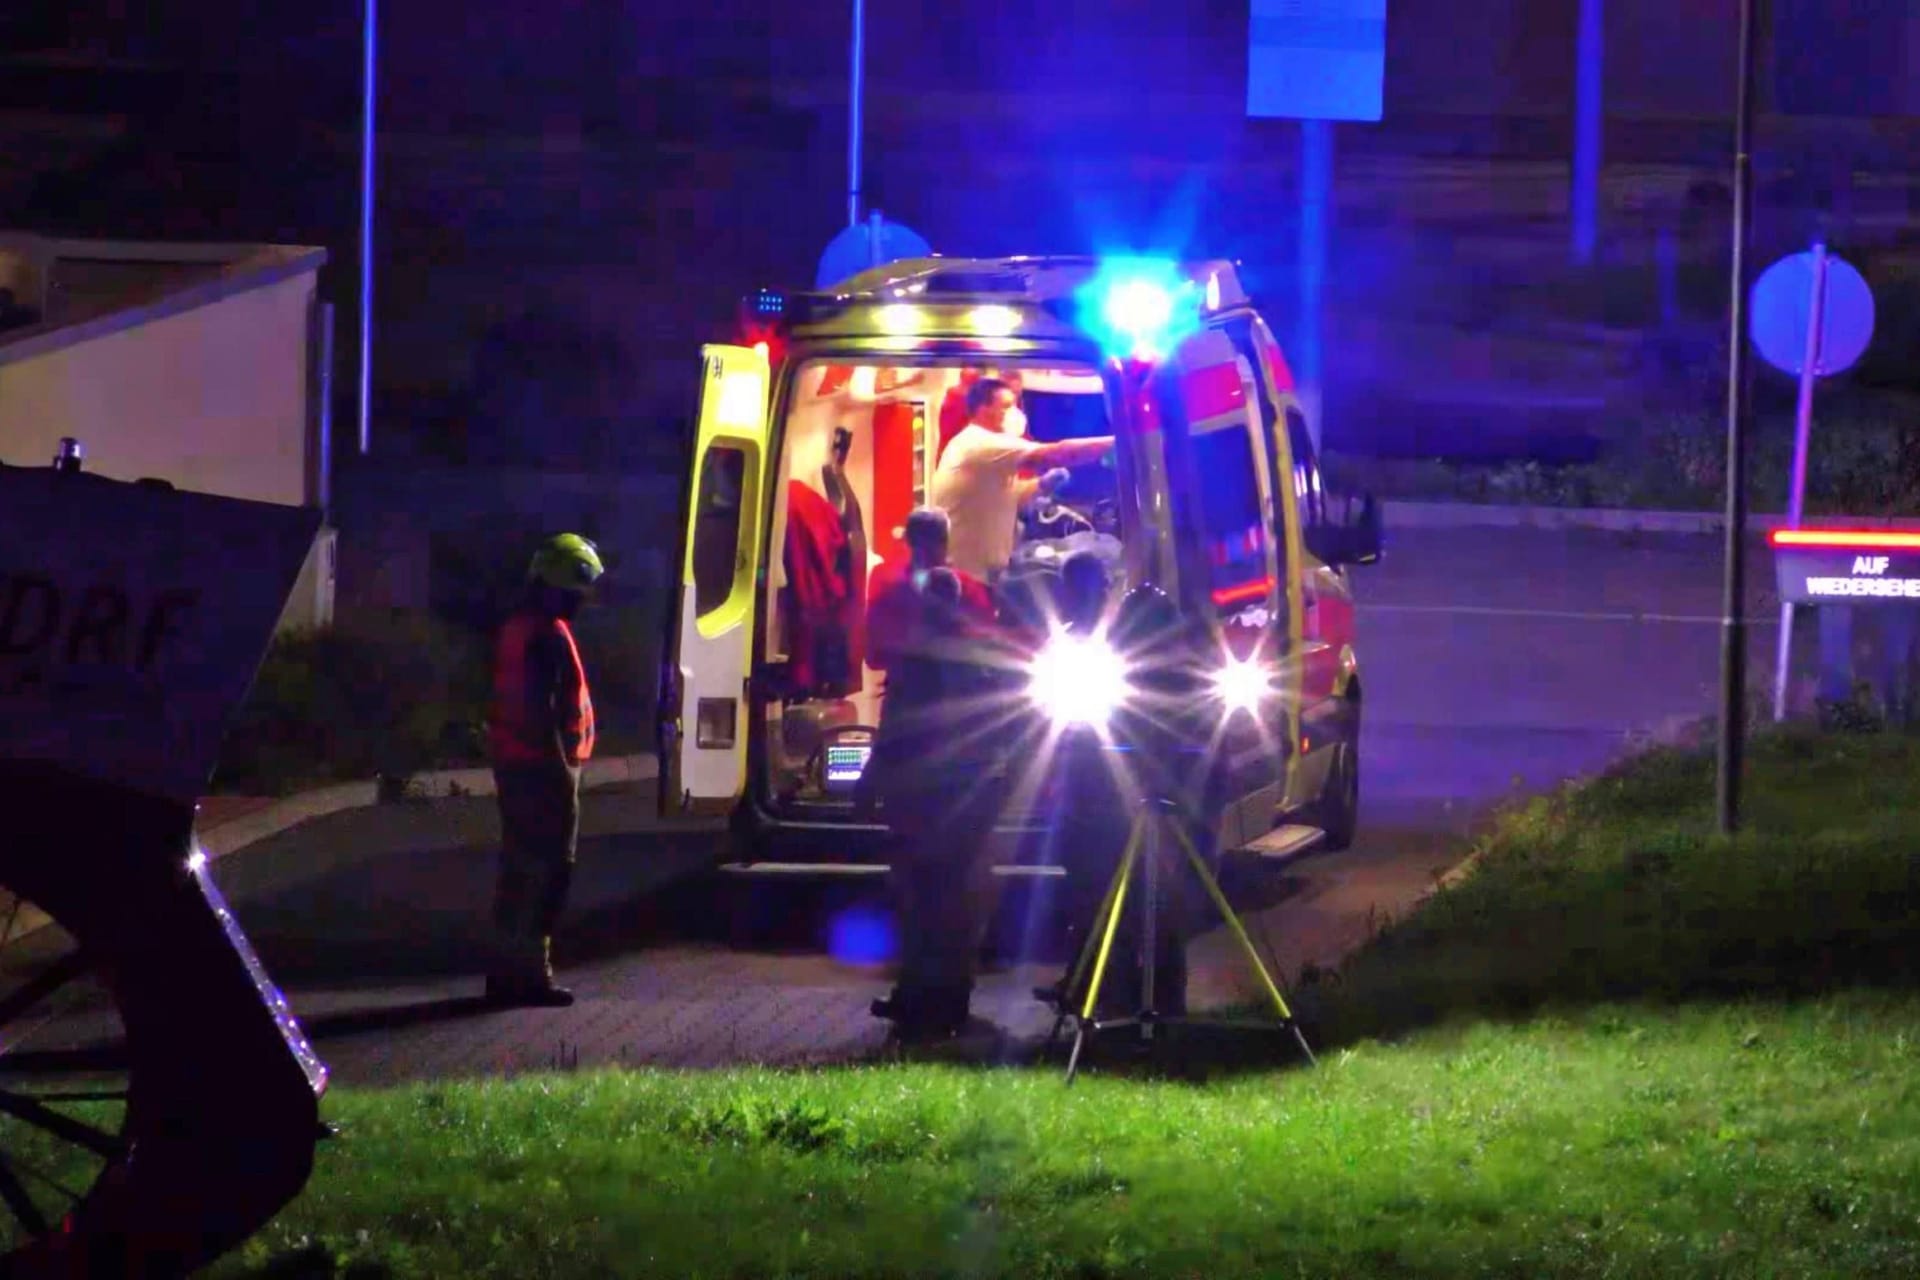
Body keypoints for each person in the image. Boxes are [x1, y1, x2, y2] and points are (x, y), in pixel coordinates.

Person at [864, 509, 1017, 1041]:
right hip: (965, 791)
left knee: (919, 892)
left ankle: (922, 999)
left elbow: (885, 686)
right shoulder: (975, 606)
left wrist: (872, 780)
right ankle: (943, 999)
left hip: (922, 791)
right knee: (953, 895)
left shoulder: (898, 610)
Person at [484, 533, 604, 1007]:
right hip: (543, 770)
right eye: (578, 592)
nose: (583, 601)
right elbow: (542, 711)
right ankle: (531, 973)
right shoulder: (547, 638)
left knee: (519, 872)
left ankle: (505, 972)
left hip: (516, 764)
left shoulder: (520, 627)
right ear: (558, 586)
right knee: (550, 873)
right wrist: (560, 773)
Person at [930, 377, 1115, 582]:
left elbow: (1011, 496)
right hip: (968, 575)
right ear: (983, 409)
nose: (1015, 414)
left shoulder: (977, 447)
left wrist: (1043, 484)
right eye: (1007, 406)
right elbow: (1060, 452)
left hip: (980, 574)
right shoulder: (981, 442)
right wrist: (1119, 442)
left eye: (1017, 405)